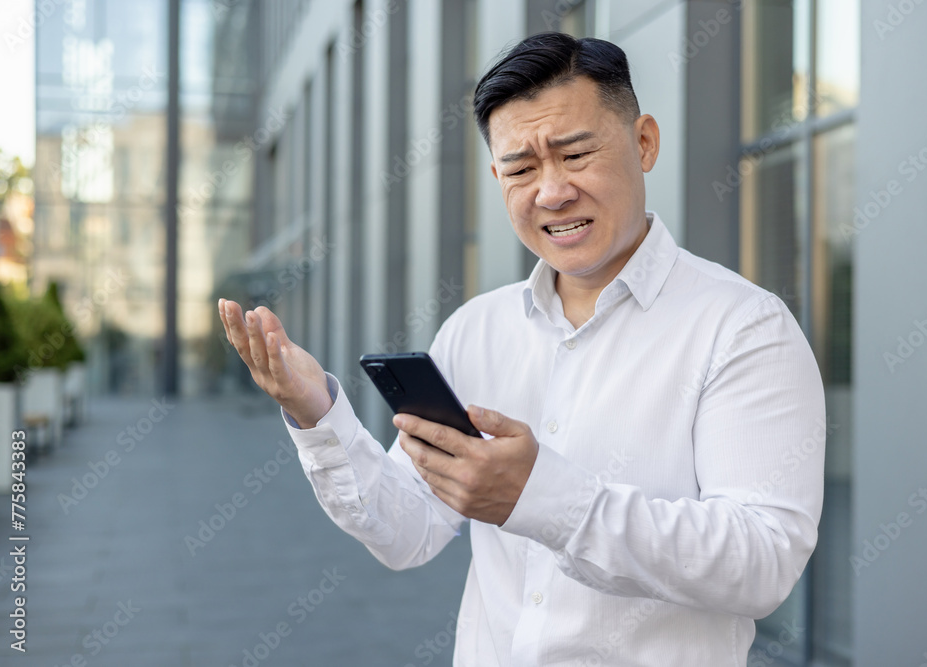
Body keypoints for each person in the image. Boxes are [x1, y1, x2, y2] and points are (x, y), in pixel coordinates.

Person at [219, 32, 825, 666]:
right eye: (521, 168)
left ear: (644, 142)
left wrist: (540, 498)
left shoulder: (743, 329)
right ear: (497, 176)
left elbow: (763, 563)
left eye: (576, 153)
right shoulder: (475, 329)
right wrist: (318, 415)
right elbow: (407, 532)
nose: (552, 192)